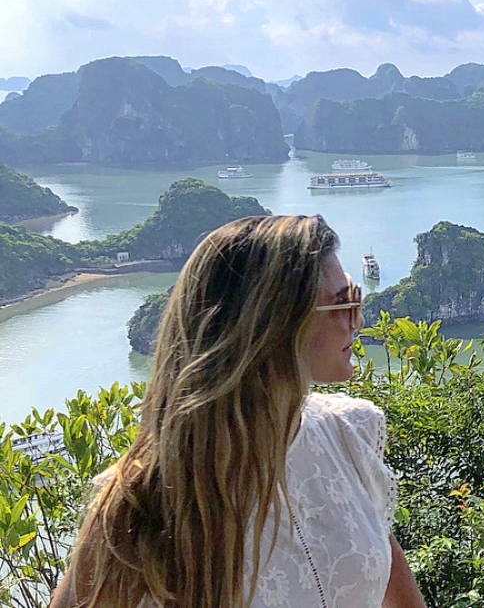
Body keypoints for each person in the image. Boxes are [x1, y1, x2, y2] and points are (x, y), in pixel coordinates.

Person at [50, 215, 426, 608]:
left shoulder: (348, 433)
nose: (358, 321)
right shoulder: (147, 498)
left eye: (355, 297)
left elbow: (395, 591)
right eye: (342, 304)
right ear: (273, 325)